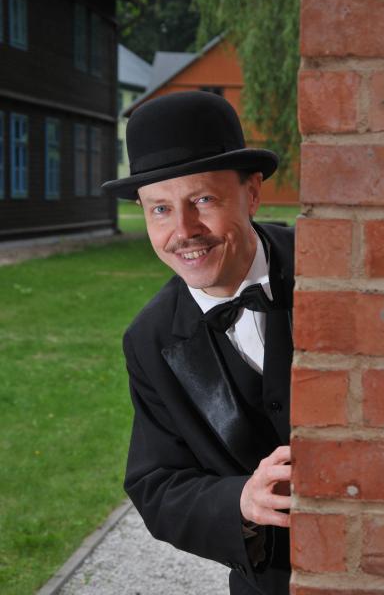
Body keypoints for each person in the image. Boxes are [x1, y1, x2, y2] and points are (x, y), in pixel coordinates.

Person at [101, 91, 294, 595]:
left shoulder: (337, 270)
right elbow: (157, 484)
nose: (183, 231)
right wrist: (241, 501)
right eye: (160, 209)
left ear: (252, 193)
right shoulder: (149, 340)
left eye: (203, 200)